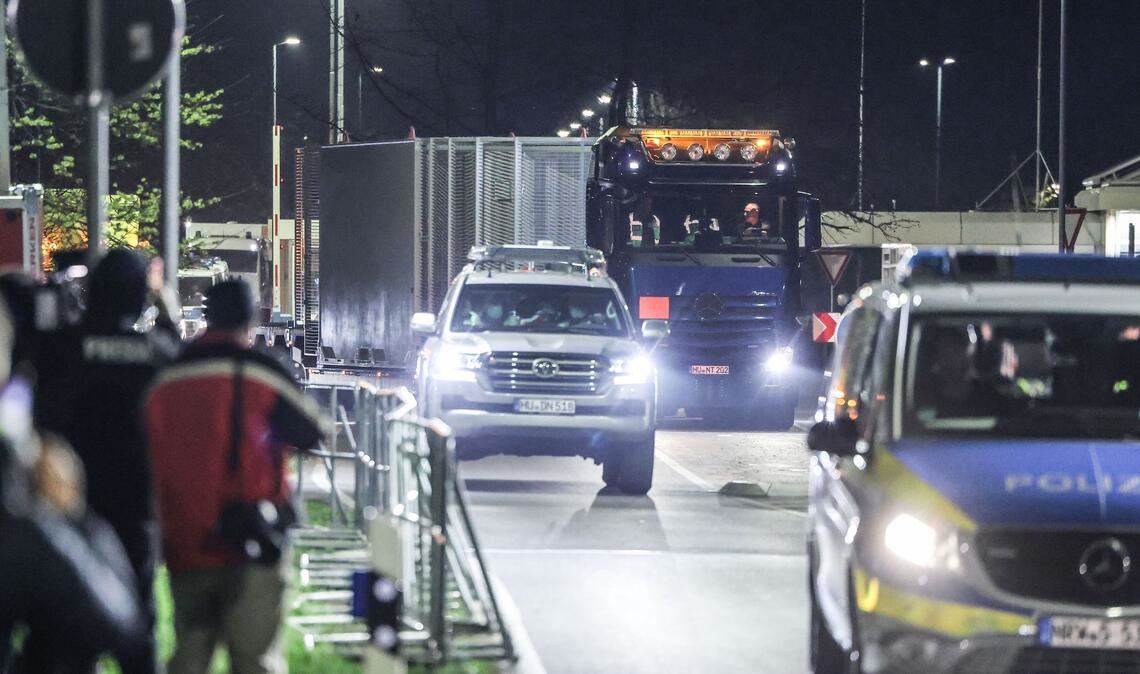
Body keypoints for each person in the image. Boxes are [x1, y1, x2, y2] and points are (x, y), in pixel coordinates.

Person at [146, 280, 327, 674]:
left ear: (207, 318)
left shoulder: (168, 378)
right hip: (252, 539)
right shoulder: (263, 372)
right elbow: (313, 430)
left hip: (186, 539)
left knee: (190, 654)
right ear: (250, 320)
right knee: (254, 659)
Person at [31, 249, 178, 674]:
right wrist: (165, 309)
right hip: (135, 503)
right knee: (139, 625)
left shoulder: (62, 345)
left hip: (69, 502)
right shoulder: (155, 351)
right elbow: (181, 358)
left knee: (68, 628)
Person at [0, 297, 147, 673]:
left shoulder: (64, 347)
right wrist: (72, 517)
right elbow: (115, 624)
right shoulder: (24, 516)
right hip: (128, 503)